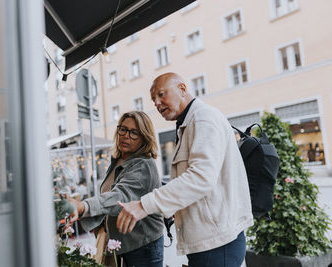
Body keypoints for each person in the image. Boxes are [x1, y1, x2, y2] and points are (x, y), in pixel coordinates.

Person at [116, 73, 253, 267]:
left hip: (216, 244)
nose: (156, 103)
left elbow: (201, 178)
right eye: (154, 99)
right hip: (211, 242)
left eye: (161, 94)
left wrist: (143, 205)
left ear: (182, 89)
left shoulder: (203, 119)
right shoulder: (191, 121)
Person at [68, 111, 164, 267]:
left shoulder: (144, 165)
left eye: (134, 133)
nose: (126, 135)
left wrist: (83, 206)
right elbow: (107, 198)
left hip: (142, 245)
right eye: (123, 129)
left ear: (144, 138)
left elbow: (119, 196)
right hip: (121, 243)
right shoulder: (118, 160)